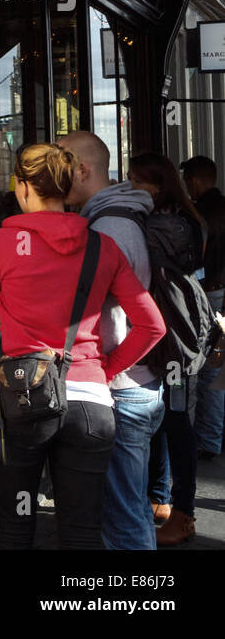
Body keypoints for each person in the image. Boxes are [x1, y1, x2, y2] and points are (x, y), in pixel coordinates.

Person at [0, 143, 165, 548]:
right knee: (81, 531)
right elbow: (152, 326)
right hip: (91, 406)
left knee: (14, 527)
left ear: (24, 187)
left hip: (23, 399)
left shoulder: (2, 242)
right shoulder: (102, 246)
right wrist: (106, 370)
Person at [58, 131, 163, 549]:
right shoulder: (116, 217)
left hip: (124, 389)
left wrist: (106, 372)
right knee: (129, 509)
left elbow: (147, 324)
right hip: (137, 385)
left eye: (60, 165)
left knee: (123, 518)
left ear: (81, 170)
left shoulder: (111, 227)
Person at [130, 153, 206, 546]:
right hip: (177, 332)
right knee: (167, 419)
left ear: (157, 187)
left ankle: (184, 513)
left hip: (172, 337)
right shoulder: (182, 219)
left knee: (176, 423)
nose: (127, 187)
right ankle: (162, 501)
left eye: (135, 180)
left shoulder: (158, 226)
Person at [180, 155, 225, 461]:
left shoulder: (198, 214)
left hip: (210, 294)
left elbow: (196, 260)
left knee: (209, 368)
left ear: (194, 180)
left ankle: (208, 439)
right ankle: (213, 435)